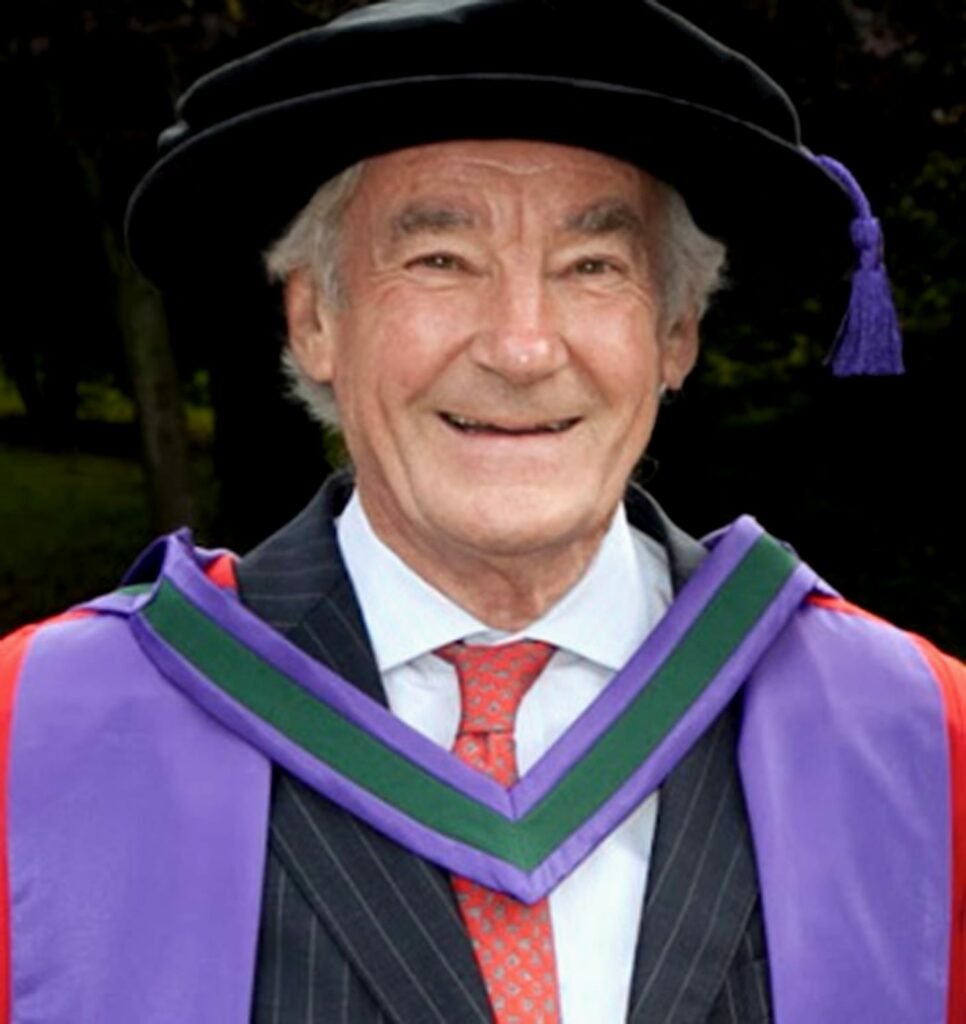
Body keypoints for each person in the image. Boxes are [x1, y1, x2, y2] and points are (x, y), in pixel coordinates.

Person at [1, 1, 963, 1022]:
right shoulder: (40, 736)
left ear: (675, 333)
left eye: (592, 266)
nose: (522, 345)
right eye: (440, 262)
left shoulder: (914, 737)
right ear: (317, 320)